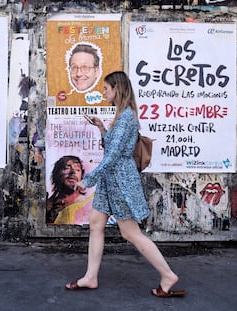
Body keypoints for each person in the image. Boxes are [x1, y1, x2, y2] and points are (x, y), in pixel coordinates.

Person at [65, 71, 187, 298]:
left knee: (130, 233)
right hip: (110, 182)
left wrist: (87, 180)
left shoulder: (127, 117)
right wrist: (102, 129)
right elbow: (112, 148)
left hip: (120, 181)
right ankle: (90, 277)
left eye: (106, 89)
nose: (103, 92)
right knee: (95, 223)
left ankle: (167, 275)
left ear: (117, 90)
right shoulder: (121, 116)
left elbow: (112, 158)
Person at [46, 155, 94, 225]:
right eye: (66, 168)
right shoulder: (48, 204)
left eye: (77, 169)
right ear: (57, 173)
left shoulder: (88, 204)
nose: (73, 172)